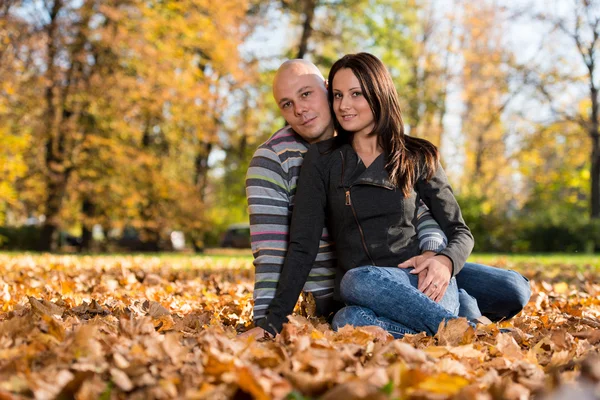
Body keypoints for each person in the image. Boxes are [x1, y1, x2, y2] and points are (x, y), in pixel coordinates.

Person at [241, 56, 530, 339]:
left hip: (426, 278)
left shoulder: (418, 154)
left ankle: (454, 323)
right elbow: (301, 246)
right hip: (367, 287)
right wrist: (271, 323)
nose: (344, 105)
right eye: (339, 95)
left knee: (513, 288)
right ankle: (461, 324)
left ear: (379, 94)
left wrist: (444, 262)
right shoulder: (322, 159)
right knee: (350, 309)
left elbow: (459, 230)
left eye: (356, 94)